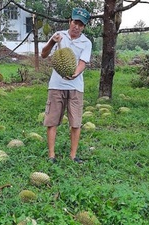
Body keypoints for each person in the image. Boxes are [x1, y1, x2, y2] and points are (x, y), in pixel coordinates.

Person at [41, 8, 92, 164]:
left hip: (76, 87)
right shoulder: (59, 36)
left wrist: (74, 74)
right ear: (70, 21)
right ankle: (51, 155)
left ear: (84, 27)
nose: (76, 26)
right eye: (75, 22)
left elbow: (82, 62)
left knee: (75, 123)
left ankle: (73, 155)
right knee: (52, 121)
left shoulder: (86, 42)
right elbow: (43, 54)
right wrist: (52, 41)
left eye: (80, 25)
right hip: (56, 86)